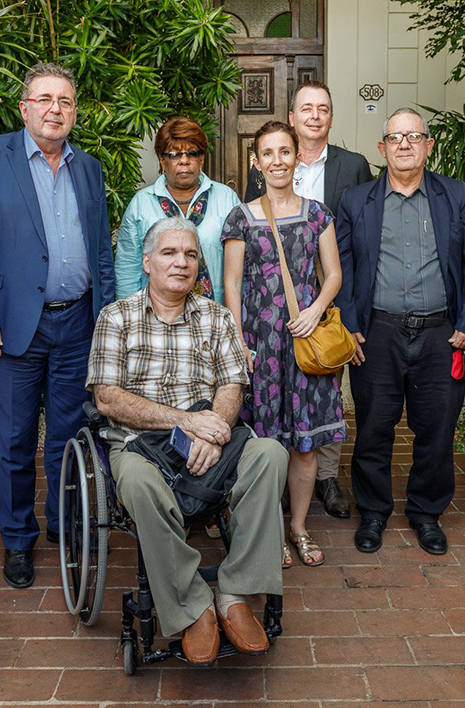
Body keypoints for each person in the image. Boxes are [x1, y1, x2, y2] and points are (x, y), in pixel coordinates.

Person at [88, 217, 288, 665]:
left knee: (270, 454)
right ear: (146, 261)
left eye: (190, 254)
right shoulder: (116, 317)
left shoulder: (216, 317)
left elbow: (233, 385)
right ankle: (192, 606)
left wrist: (213, 430)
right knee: (137, 485)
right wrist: (187, 422)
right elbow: (107, 398)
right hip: (141, 444)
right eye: (169, 253)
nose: (181, 262)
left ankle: (235, 592)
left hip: (210, 440)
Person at [0, 63, 115, 590]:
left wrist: (105, 322)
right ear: (24, 108)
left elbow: (101, 252)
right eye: (44, 100)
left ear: (73, 111)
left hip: (77, 325)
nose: (54, 110)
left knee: (71, 435)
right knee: (13, 440)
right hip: (13, 330)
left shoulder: (88, 168)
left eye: (64, 101)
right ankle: (18, 540)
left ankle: (63, 524)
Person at [335, 108, 465, 557]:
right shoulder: (355, 200)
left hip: (442, 334)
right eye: (395, 138)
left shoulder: (453, 195)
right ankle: (375, 512)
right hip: (377, 334)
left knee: (437, 429)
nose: (404, 144)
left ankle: (425, 513)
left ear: (428, 146)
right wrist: (349, 325)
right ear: (381, 149)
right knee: (373, 428)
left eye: (414, 136)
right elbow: (341, 266)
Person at [244, 79, 373, 520]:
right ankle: (276, 493)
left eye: (323, 108)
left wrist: (342, 313)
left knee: (322, 391)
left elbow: (357, 245)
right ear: (294, 117)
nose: (315, 115)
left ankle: (327, 479)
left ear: (330, 118)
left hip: (325, 302)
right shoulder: (268, 165)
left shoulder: (354, 165)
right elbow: (255, 246)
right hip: (272, 312)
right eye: (307, 108)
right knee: (274, 404)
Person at [223, 120, 347, 568]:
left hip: (305, 342)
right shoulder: (241, 216)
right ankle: (269, 528)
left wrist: (315, 310)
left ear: (297, 158)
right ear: (256, 162)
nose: (277, 161)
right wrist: (238, 341)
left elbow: (332, 274)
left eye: (284, 152)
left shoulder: (318, 213)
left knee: (305, 442)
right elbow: (232, 284)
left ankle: (298, 527)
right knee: (264, 442)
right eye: (267, 153)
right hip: (261, 345)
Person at [115, 116, 239, 304]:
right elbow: (127, 270)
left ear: (202, 159)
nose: (184, 161)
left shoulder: (226, 199)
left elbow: (242, 269)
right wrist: (129, 320)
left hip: (214, 318)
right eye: (174, 154)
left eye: (192, 153)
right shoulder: (141, 204)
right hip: (154, 319)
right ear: (162, 160)